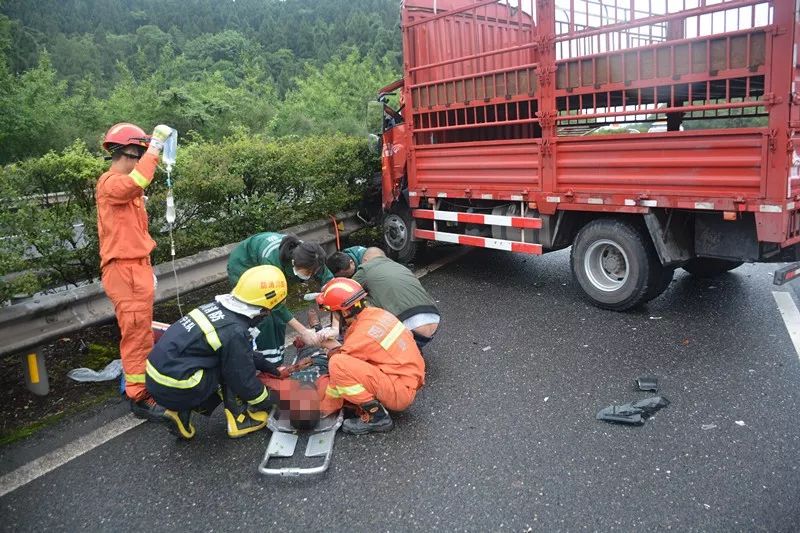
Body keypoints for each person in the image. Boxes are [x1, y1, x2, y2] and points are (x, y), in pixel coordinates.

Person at [146, 265, 289, 440]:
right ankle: (240, 421)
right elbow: (241, 375)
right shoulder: (234, 330)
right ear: (266, 306)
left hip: (159, 381)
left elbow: (242, 353)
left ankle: (178, 413)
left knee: (226, 359)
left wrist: (271, 369)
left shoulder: (218, 308)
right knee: (231, 368)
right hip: (179, 386)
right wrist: (269, 400)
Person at [96, 122, 174, 420]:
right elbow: (139, 179)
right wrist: (155, 147)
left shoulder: (127, 191)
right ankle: (139, 397)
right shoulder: (110, 183)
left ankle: (142, 387)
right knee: (136, 337)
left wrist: (145, 266)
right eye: (139, 153)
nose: (141, 160)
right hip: (124, 272)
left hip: (137, 268)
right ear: (129, 152)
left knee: (141, 331)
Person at [315, 278, 425, 435]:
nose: (333, 318)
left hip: (399, 391)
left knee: (337, 364)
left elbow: (339, 374)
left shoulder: (360, 335)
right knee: (341, 362)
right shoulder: (376, 314)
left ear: (345, 312)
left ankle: (377, 417)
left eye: (333, 313)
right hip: (407, 379)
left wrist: (323, 410)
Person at [227, 232, 334, 364]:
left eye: (314, 272)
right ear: (294, 262)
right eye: (308, 273)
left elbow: (330, 281)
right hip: (244, 266)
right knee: (264, 315)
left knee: (280, 319)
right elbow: (274, 303)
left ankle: (277, 359)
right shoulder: (272, 262)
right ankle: (265, 363)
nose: (311, 276)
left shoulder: (312, 256)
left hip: (276, 269)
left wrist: (332, 298)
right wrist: (304, 331)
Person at [352, 247, 440, 349]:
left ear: (365, 260)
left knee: (359, 301)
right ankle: (410, 348)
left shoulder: (366, 268)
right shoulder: (400, 267)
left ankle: (375, 347)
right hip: (434, 319)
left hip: (408, 327)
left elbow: (346, 291)